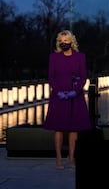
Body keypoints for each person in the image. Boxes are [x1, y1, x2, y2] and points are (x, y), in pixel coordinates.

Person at [43, 30, 92, 169]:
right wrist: (58, 92)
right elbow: (51, 77)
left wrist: (74, 92)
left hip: (75, 96)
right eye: (61, 41)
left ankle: (71, 157)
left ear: (72, 41)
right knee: (58, 128)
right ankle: (58, 158)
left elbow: (83, 77)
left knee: (73, 128)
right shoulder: (54, 57)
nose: (64, 43)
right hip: (58, 96)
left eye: (66, 40)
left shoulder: (80, 57)